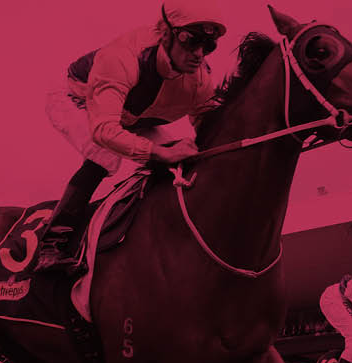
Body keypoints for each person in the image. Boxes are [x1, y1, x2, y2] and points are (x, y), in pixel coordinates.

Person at [33, 1, 227, 273]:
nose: (199, 54)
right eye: (191, 41)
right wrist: (160, 152)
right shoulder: (122, 57)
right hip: (78, 100)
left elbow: (212, 128)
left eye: (208, 47)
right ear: (166, 34)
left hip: (133, 117)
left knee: (183, 160)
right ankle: (51, 247)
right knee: (105, 154)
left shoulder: (200, 80)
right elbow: (103, 131)